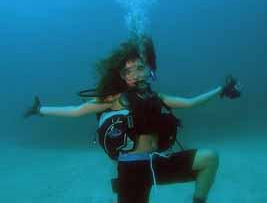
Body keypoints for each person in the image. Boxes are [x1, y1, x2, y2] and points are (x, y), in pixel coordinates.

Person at [24, 35, 241, 203]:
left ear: (150, 69)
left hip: (157, 163)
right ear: (122, 76)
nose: (135, 74)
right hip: (131, 170)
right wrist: (40, 109)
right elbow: (76, 110)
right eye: (128, 71)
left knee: (209, 158)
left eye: (140, 67)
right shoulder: (115, 98)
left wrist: (221, 89)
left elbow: (192, 102)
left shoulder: (158, 97)